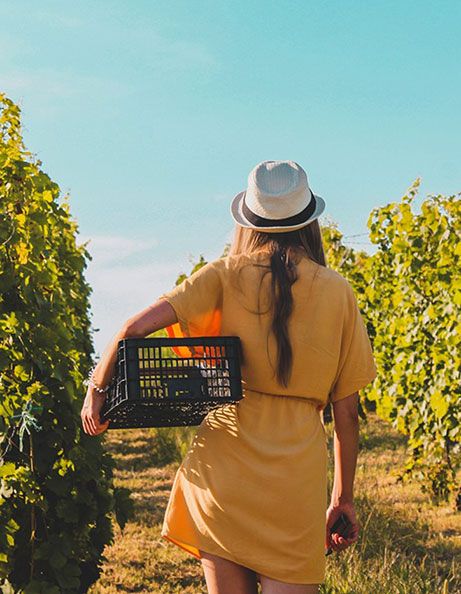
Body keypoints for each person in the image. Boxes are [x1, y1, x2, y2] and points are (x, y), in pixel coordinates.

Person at [81, 160, 378, 594]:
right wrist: (341, 499)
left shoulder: (223, 273)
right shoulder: (339, 291)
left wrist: (96, 391)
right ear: (308, 220)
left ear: (250, 220)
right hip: (293, 486)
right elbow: (347, 415)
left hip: (223, 473)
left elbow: (131, 329)